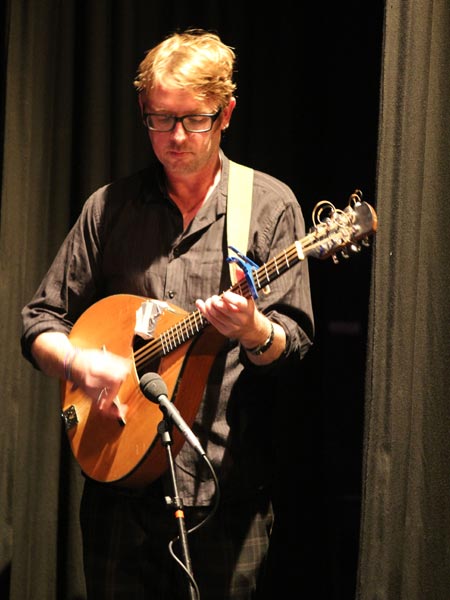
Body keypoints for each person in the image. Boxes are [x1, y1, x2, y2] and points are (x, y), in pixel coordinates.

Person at [20, 28, 314, 600]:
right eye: (160, 118)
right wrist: (79, 363)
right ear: (142, 110)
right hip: (118, 492)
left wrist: (254, 331)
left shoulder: (268, 207)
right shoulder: (109, 210)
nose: (176, 136)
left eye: (194, 119)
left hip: (226, 498)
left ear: (226, 113)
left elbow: (295, 346)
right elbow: (40, 319)